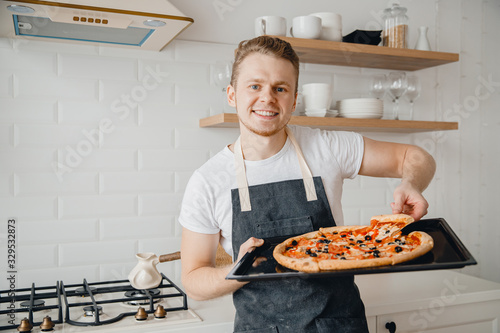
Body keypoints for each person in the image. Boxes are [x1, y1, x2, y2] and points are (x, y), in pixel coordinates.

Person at [179, 36, 435, 333]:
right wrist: (239, 270)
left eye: (280, 88)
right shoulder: (208, 181)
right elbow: (193, 281)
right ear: (232, 95)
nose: (267, 98)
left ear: (294, 99)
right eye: (254, 86)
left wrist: (412, 183)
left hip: (340, 326)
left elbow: (415, 156)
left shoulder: (327, 147)